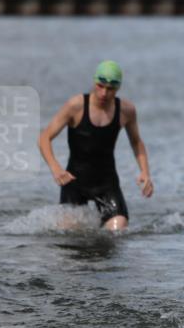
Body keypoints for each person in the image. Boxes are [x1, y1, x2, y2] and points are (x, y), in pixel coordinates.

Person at [38, 61, 153, 231]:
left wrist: (145, 172)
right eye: (100, 86)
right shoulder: (75, 106)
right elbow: (44, 137)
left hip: (107, 183)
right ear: (94, 81)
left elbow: (136, 141)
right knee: (71, 234)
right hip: (75, 182)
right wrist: (55, 168)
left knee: (118, 229)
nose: (104, 93)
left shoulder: (126, 110)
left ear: (118, 88)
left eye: (110, 89)